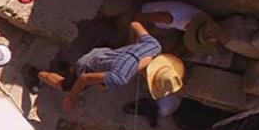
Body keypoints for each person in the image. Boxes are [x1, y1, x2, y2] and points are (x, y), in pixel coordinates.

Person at [24, 21, 185, 111]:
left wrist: (130, 44)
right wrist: (71, 98)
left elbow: (135, 24)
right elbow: (85, 78)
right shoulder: (120, 77)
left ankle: (67, 67)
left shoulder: (153, 46)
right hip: (87, 66)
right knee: (65, 85)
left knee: (82, 72)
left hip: (102, 53)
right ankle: (37, 74)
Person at [135, 0, 219, 55]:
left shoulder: (205, 21)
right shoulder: (168, 18)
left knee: (171, 51)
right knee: (153, 49)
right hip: (149, 19)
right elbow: (140, 17)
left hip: (166, 27)